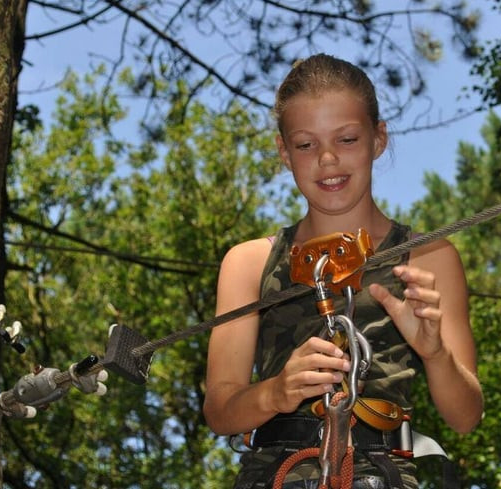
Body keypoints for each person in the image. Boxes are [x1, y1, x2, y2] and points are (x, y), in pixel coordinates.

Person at [203, 53, 483, 489]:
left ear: (378, 138)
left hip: (385, 474)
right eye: (306, 144)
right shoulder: (249, 262)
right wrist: (276, 392)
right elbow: (220, 411)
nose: (328, 158)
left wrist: (435, 354)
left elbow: (466, 416)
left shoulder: (429, 257)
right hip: (274, 475)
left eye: (347, 139)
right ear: (284, 152)